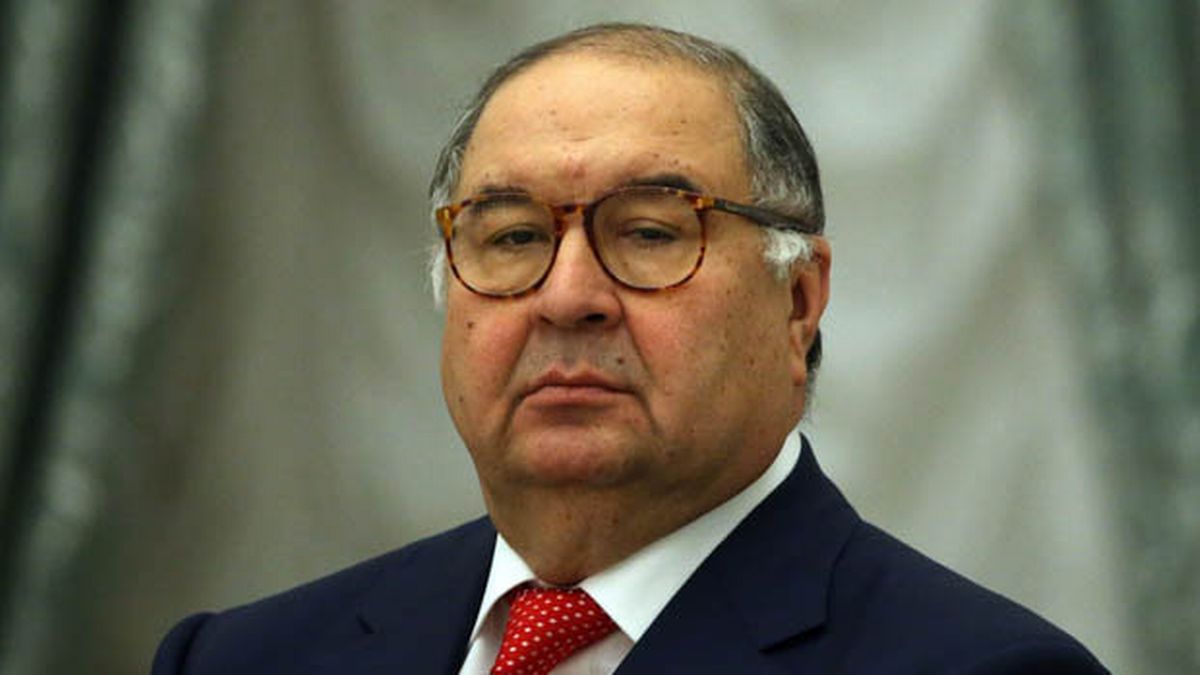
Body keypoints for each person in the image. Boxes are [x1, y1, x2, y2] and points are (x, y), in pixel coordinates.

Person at [152, 23, 1108, 674]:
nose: (567, 297)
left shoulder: (984, 666)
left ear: (797, 302)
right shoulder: (241, 658)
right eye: (513, 236)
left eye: (651, 232)